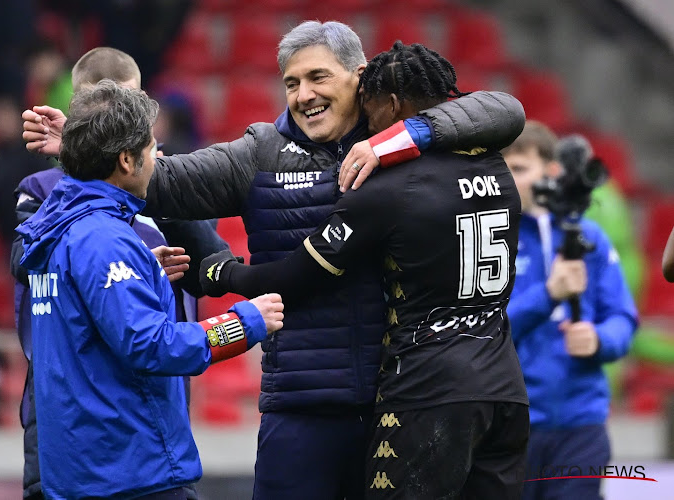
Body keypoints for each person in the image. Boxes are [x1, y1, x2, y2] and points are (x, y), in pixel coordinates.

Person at [22, 21, 526, 499]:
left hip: (393, 401)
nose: (304, 94)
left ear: (361, 76)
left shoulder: (405, 147)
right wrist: (89, 146)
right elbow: (159, 181)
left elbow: (504, 110)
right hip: (300, 406)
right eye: (292, 82)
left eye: (318, 77)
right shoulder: (260, 153)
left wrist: (407, 136)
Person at [198, 41, 529, 499]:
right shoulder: (494, 162)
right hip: (505, 389)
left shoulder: (387, 187)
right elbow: (503, 110)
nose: (367, 131)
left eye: (371, 117)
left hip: (427, 392)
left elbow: (293, 278)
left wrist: (219, 273)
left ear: (392, 106)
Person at [16, 80, 284, 500]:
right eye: (152, 149)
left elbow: (89, 319)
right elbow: (150, 344)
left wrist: (144, 273)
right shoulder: (104, 240)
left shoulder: (56, 228)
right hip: (130, 473)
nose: (158, 159)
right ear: (126, 160)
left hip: (81, 475)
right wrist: (245, 322)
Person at [500, 121, 637, 500]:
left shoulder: (588, 236)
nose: (509, 181)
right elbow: (487, 334)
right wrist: (548, 295)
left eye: (520, 170)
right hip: (512, 425)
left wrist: (598, 339)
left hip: (581, 422)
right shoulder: (492, 238)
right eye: (502, 170)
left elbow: (623, 318)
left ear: (552, 170)